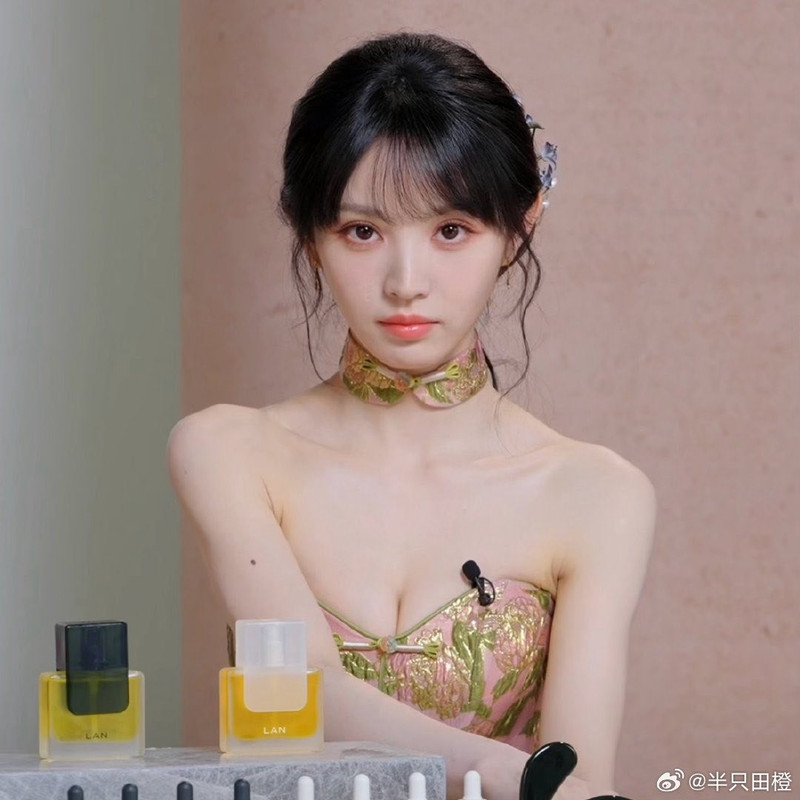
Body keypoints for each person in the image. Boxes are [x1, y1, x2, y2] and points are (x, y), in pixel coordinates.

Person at [167, 31, 655, 800]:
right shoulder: (229, 452)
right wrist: (506, 770)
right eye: (362, 231)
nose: (405, 281)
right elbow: (303, 692)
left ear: (519, 227)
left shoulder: (597, 494)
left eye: (450, 231)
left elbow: (579, 782)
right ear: (310, 235)